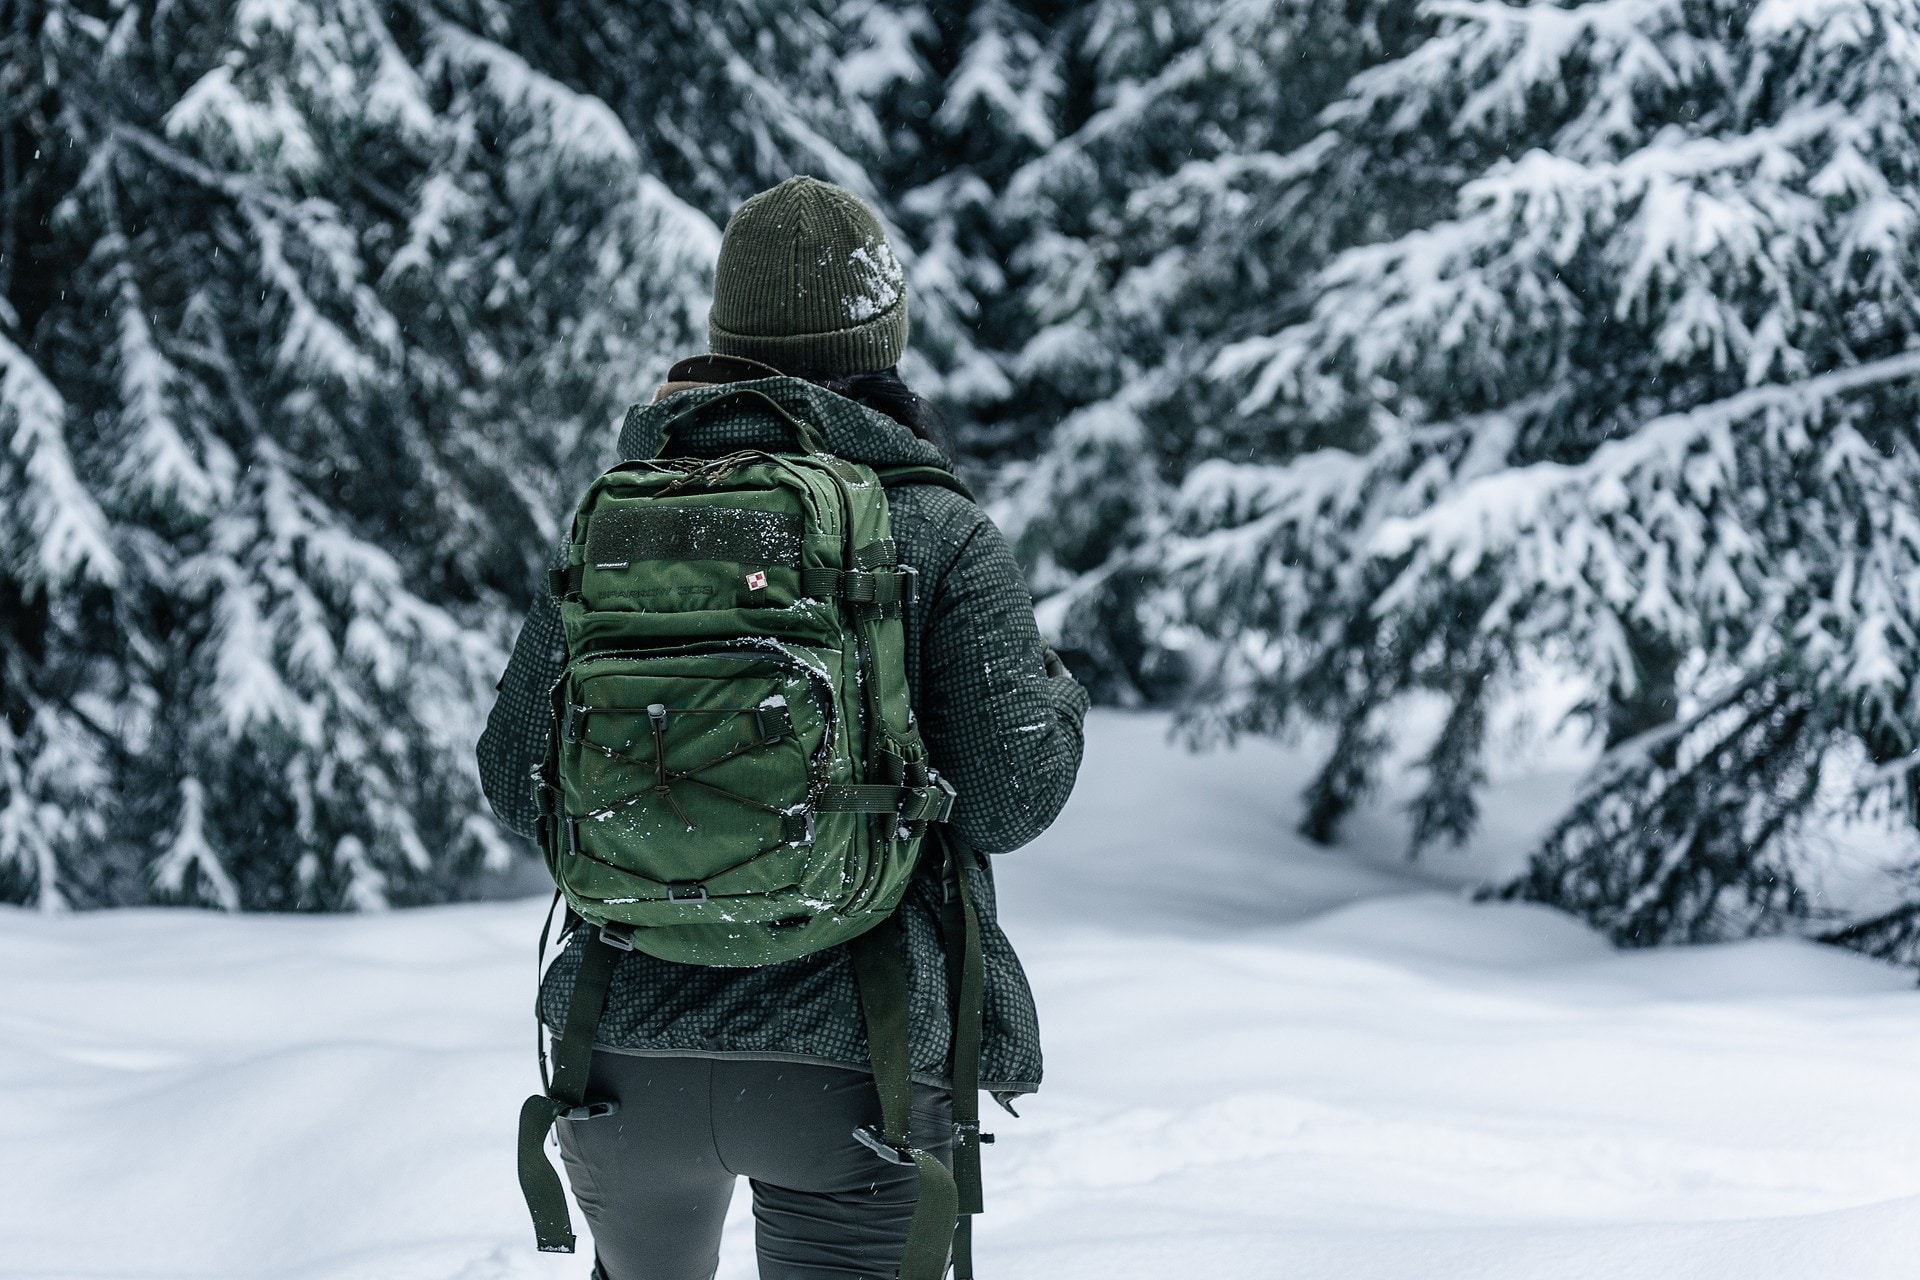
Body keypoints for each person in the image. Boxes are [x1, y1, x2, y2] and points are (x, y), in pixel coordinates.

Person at [477, 175, 1088, 1280]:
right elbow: (1012, 795)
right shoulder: (933, 522)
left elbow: (512, 773)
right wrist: (1060, 692)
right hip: (854, 1060)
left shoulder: (626, 511)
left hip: (622, 1048)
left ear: (723, 337)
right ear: (882, 333)